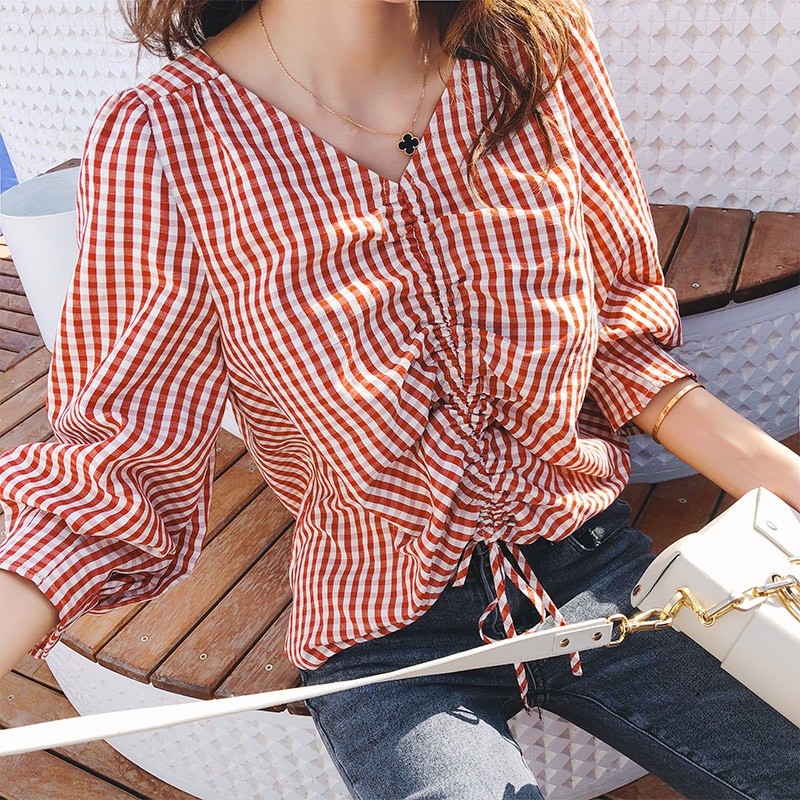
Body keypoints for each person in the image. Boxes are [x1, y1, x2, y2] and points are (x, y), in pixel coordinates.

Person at [0, 0, 798, 797]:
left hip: (592, 562)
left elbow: (618, 336)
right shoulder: (165, 139)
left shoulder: (532, 49)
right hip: (382, 626)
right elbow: (123, 459)